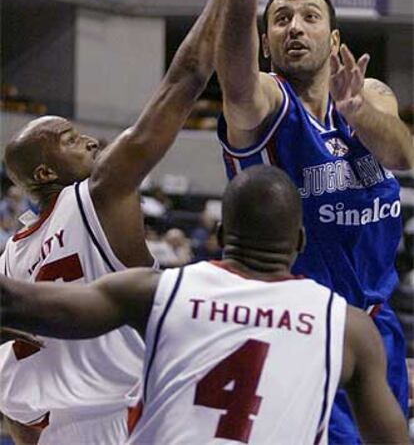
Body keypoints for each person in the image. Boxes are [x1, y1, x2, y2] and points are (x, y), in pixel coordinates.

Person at [0, 165, 410, 445]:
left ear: (219, 233)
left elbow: (22, 302)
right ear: (300, 242)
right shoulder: (346, 327)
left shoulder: (160, 292)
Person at [207, 0, 414, 444]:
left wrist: (358, 113)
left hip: (375, 324)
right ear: (266, 41)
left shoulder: (371, 95)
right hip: (300, 327)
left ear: (335, 41)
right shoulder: (267, 103)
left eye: (309, 17)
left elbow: (402, 154)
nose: (294, 27)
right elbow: (234, 80)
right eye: (280, 20)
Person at [0, 0, 225, 445]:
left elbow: (17, 407)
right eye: (68, 138)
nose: (90, 139)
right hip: (128, 415)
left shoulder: (11, 258)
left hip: (57, 430)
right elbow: (183, 81)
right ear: (44, 174)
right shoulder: (96, 197)